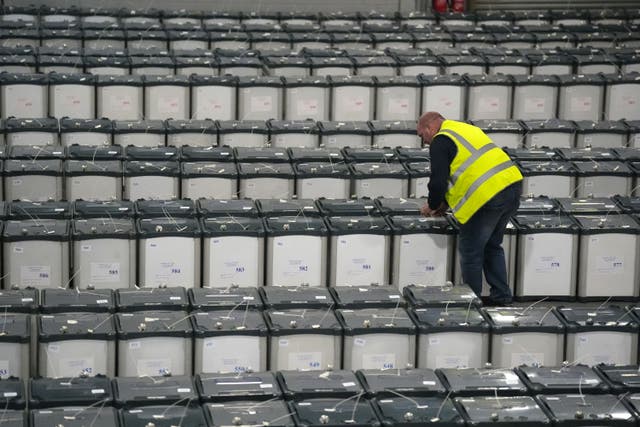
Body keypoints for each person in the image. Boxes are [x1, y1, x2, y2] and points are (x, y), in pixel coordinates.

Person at [417, 112, 523, 305]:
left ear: (429, 128)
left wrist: (432, 206)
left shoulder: (441, 140)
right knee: (492, 245)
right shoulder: (466, 129)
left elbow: (438, 181)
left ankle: (471, 303)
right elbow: (469, 169)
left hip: (487, 197)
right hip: (512, 185)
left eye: (421, 135)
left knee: (471, 251)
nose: (423, 142)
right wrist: (445, 204)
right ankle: (502, 296)